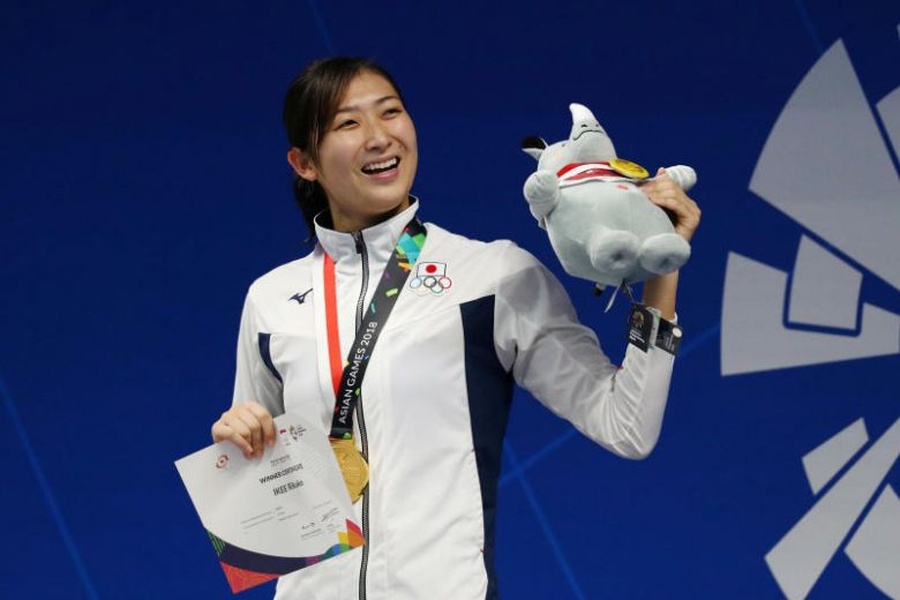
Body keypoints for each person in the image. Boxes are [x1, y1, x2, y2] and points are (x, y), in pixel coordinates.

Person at [211, 56, 700, 600]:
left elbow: (627, 427)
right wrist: (243, 448)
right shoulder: (271, 299)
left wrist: (664, 270)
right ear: (304, 163)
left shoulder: (491, 277)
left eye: (391, 113)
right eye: (349, 123)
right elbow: (270, 532)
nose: (379, 137)